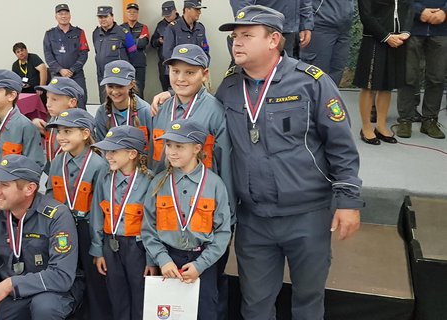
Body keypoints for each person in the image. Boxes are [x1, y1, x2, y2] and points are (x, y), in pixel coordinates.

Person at [216, 6, 363, 318]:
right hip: (253, 219)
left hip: (306, 216)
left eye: (246, 35)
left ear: (273, 40)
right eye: (234, 37)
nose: (236, 43)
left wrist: (348, 201)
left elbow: (341, 145)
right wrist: (174, 99)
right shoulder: (228, 87)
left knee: (308, 303)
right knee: (254, 306)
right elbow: (207, 127)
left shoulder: (311, 82)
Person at [0, 155, 80, 320]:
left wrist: (11, 284)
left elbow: (61, 276)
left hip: (52, 292)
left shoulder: (57, 216)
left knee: (45, 308)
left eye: (4, 185)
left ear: (29, 189)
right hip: (14, 293)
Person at [141, 119, 232, 320]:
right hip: (168, 262)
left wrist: (200, 265)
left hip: (203, 263)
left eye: (179, 146)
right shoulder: (159, 182)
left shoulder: (215, 185)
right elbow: (148, 229)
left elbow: (223, 233)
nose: (171, 151)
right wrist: (162, 260)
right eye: (168, 145)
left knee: (205, 312)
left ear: (197, 148)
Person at [45, 108, 112, 320]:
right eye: (58, 132)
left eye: (67, 131)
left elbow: (102, 208)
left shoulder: (99, 165)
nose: (61, 137)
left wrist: (97, 243)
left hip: (88, 229)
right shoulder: (57, 163)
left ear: (85, 134)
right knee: (66, 274)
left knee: (94, 279)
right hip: (62, 228)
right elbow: (49, 193)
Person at [89, 126, 157, 320]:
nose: (108, 156)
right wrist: (98, 250)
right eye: (106, 151)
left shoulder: (150, 180)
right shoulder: (105, 179)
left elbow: (153, 224)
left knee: (141, 297)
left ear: (132, 154)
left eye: (113, 151)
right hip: (111, 247)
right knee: (116, 295)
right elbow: (97, 215)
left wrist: (151, 259)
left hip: (138, 248)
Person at [150, 44, 231, 186]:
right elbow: (154, 159)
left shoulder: (215, 112)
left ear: (204, 75)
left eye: (190, 73)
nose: (180, 78)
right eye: (175, 71)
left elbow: (225, 166)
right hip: (164, 197)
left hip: (201, 198)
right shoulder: (160, 110)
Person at [0, 69, 45, 215]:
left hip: (12, 201)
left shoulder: (25, 127)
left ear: (11, 95)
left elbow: (34, 168)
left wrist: (2, 193)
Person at [354, 0, 410, 145]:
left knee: (387, 85)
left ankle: (381, 125)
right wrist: (386, 37)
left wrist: (405, 32)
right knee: (369, 85)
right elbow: (366, 16)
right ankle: (366, 127)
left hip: (399, 40)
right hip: (375, 39)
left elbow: (410, 8)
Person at [396, 0, 447, 139]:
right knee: (408, 76)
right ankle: (405, 120)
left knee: (437, 77)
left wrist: (445, 11)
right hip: (412, 29)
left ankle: (429, 121)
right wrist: (419, 10)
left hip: (442, 30)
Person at [94, 60, 153, 147]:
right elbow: (100, 146)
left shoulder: (145, 110)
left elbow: (152, 145)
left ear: (131, 84)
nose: (114, 92)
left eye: (120, 86)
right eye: (110, 86)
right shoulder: (102, 112)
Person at [33, 77, 85, 172]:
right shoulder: (53, 120)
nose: (48, 104)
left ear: (72, 102)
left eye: (54, 99)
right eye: (47, 98)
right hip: (54, 174)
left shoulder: (81, 127)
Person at [43, 3, 89, 109]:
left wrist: (72, 70)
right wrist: (60, 70)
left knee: (80, 102)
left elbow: (84, 54)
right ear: (56, 17)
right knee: (58, 104)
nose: (63, 16)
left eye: (66, 13)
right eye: (60, 14)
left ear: (70, 15)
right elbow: (48, 55)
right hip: (58, 75)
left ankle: (81, 125)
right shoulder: (49, 34)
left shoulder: (79, 32)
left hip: (77, 76)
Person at [231, 0, 314, 58]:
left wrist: (306, 23)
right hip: (263, 31)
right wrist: (251, 26)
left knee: (287, 74)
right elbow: (241, 4)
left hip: (291, 31)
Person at [299, 0, 354, 85]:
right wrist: (306, 23)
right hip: (320, 26)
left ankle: (330, 98)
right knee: (315, 74)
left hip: (344, 29)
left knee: (336, 73)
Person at [93, 5, 137, 104]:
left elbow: (133, 52)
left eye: (105, 16)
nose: (103, 19)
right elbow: (97, 52)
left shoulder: (123, 32)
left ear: (112, 17)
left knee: (121, 103)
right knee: (104, 103)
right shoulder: (96, 33)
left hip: (119, 77)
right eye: (100, 17)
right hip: (103, 76)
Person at [121, 2, 150, 98]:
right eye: (129, 12)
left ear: (138, 14)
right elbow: (120, 44)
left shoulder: (143, 27)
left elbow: (143, 43)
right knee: (124, 89)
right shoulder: (120, 28)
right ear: (126, 14)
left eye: (134, 12)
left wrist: (128, 42)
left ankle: (139, 112)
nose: (132, 13)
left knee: (139, 89)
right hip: (125, 63)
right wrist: (136, 41)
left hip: (139, 64)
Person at [151, 1, 181, 91]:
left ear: (175, 11)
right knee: (166, 92)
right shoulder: (160, 25)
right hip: (164, 65)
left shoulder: (182, 23)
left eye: (169, 14)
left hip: (179, 64)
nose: (167, 17)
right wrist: (159, 41)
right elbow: (152, 43)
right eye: (165, 15)